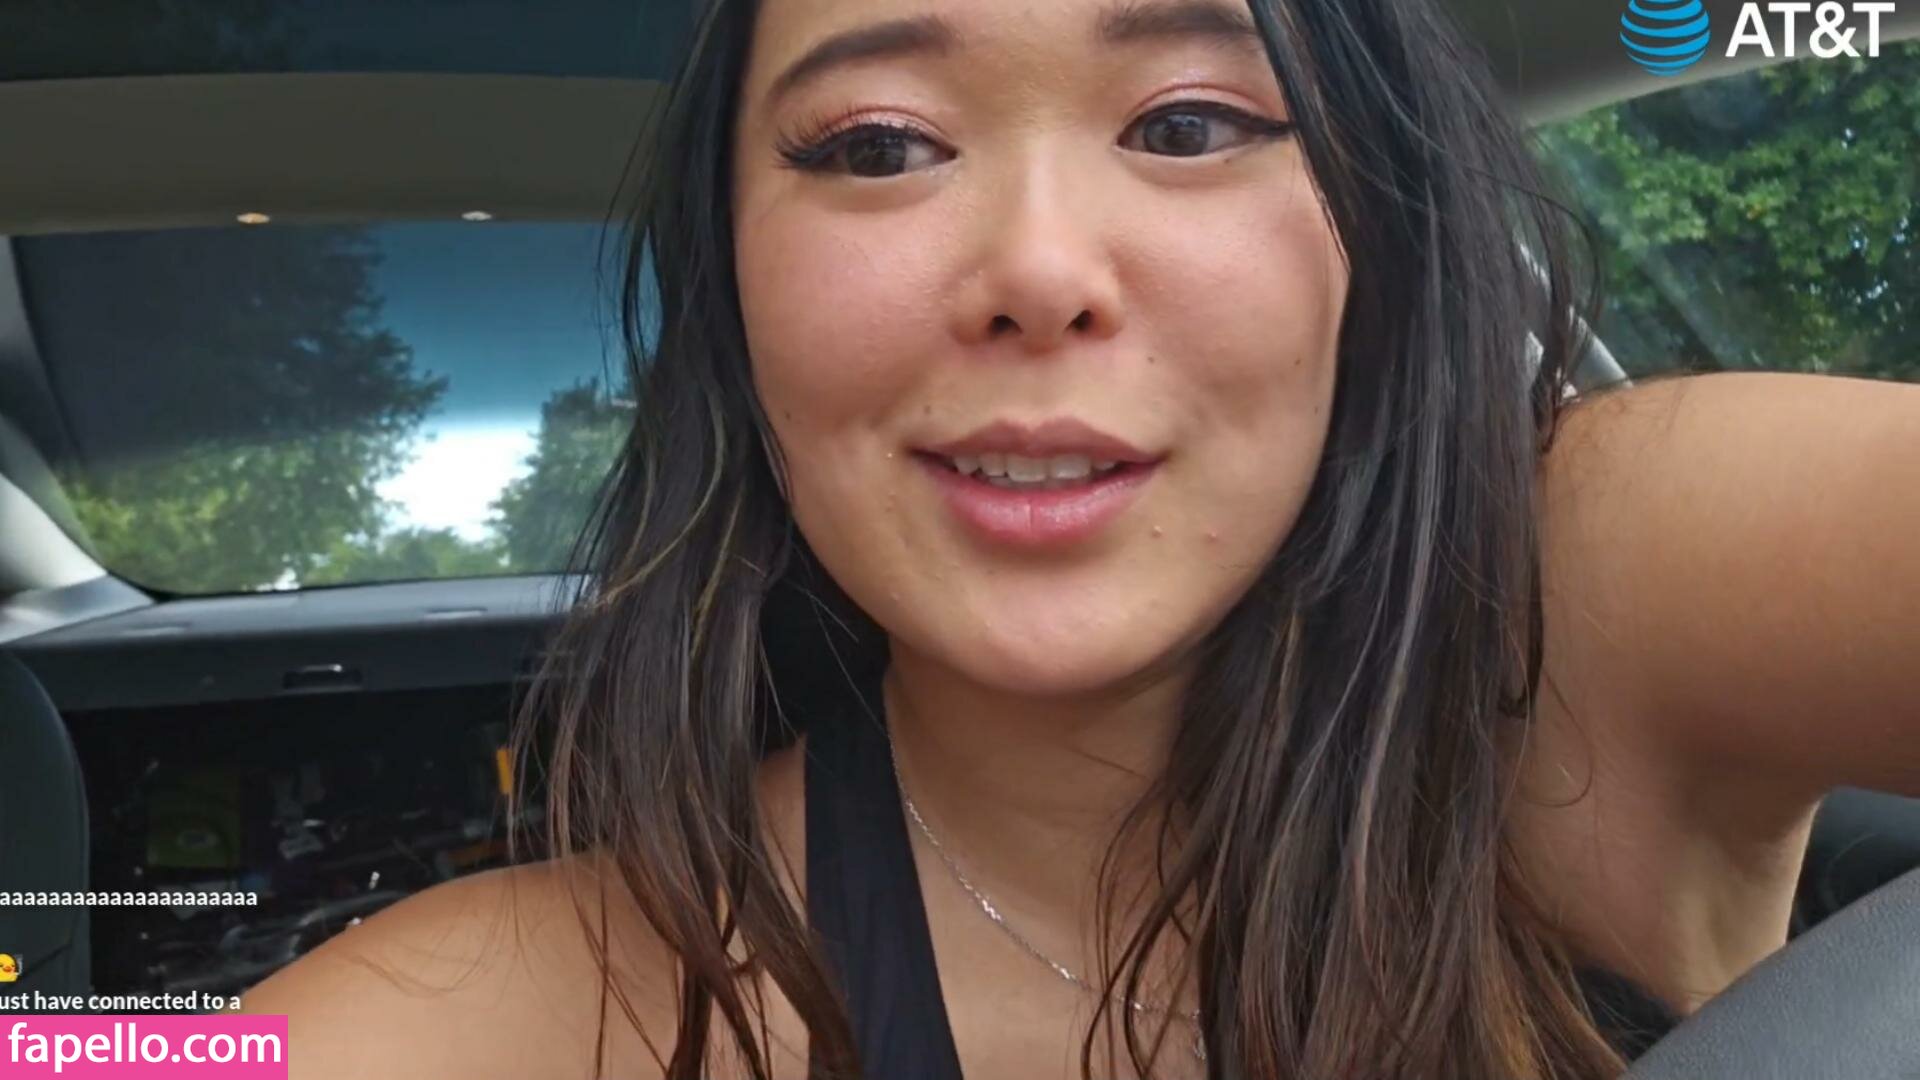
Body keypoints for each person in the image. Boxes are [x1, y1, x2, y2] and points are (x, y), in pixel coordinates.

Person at [239, 0, 1920, 1076]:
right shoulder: (526, 999)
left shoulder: (1606, 578)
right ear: (733, 305)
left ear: (1382, 235)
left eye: (1187, 125)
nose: (1039, 270)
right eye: (879, 147)